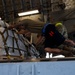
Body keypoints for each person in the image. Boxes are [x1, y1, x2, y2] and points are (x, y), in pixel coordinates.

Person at [8, 19, 75, 57]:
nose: (21, 28)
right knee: (47, 49)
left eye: (20, 27)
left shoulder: (27, 21)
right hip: (46, 34)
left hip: (49, 29)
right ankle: (66, 53)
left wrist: (11, 27)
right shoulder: (29, 29)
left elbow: (18, 24)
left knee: (63, 41)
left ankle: (72, 48)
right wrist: (35, 45)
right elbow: (40, 37)